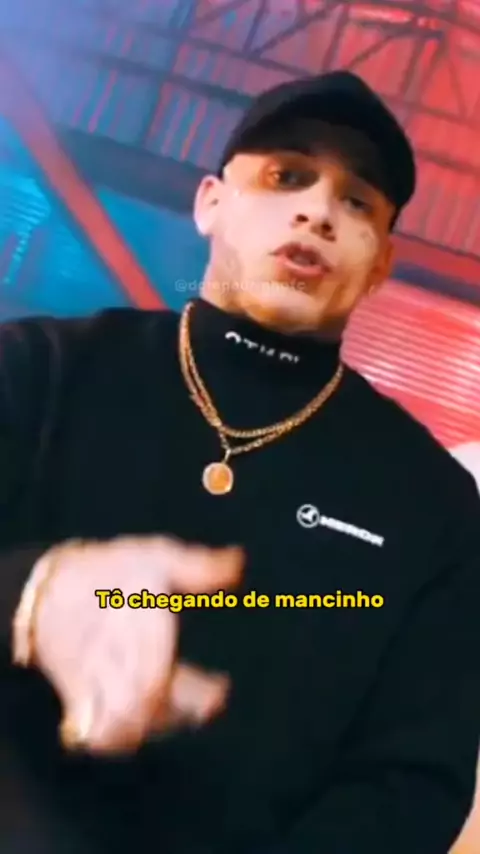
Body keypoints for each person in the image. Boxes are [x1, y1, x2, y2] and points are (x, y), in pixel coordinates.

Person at [1, 70, 480, 854]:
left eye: (357, 201)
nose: (318, 211)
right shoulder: (38, 371)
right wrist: (30, 595)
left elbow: (412, 779)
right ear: (211, 203)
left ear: (381, 263)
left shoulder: (436, 507)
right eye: (286, 176)